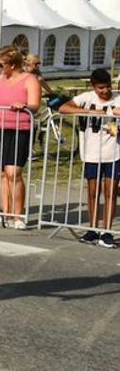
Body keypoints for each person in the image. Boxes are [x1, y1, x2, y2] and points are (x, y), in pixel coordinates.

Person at [58, 68, 118, 247]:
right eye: (101, 88)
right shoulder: (86, 98)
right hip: (91, 153)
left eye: (107, 87)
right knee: (93, 192)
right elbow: (62, 107)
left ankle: (107, 231)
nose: (105, 91)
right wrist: (94, 113)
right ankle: (92, 229)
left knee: (111, 193)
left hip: (114, 153)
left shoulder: (118, 98)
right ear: (93, 87)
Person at [0, 45, 38, 230]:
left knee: (14, 172)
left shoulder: (29, 79)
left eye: (2, 64)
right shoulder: (0, 78)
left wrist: (23, 106)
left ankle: (18, 216)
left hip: (20, 129)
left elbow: (34, 105)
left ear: (13, 63)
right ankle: (5, 213)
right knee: (2, 172)